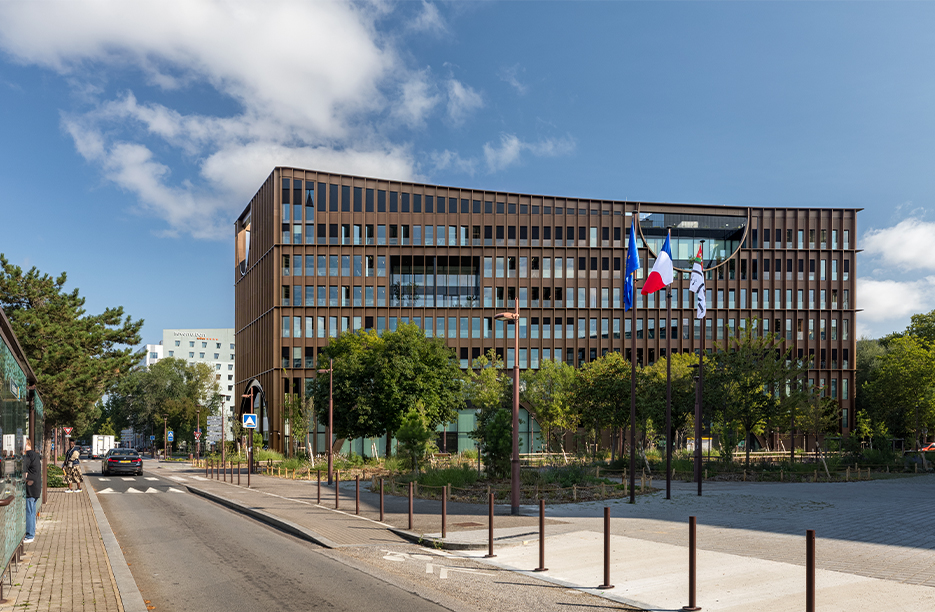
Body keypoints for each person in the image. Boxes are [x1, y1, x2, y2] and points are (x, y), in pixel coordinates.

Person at [23, 437, 41, 543]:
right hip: (36, 487)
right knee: (32, 511)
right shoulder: (35, 455)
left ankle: (30, 535)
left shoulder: (27, 456)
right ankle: (32, 532)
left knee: (29, 512)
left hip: (30, 488)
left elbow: (24, 472)